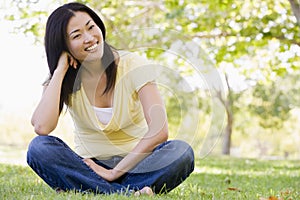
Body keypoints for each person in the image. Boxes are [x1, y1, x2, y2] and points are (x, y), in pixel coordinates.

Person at [27, 2, 194, 196]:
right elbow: (41, 127)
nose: (89, 38)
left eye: (91, 27)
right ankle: (129, 193)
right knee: (39, 148)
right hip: (89, 168)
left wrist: (113, 173)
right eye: (77, 35)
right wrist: (60, 70)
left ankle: (95, 189)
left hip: (138, 164)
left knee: (181, 151)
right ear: (64, 46)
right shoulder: (60, 79)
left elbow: (159, 130)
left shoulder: (132, 64)